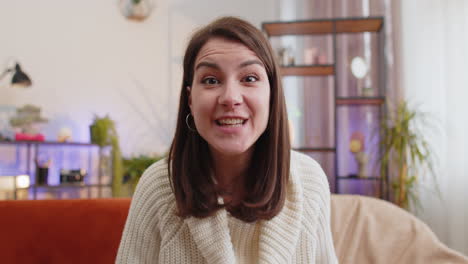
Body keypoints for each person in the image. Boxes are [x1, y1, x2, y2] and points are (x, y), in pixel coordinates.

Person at [116, 16, 338, 264]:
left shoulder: (309, 182)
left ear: (272, 94)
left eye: (249, 78)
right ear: (190, 99)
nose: (230, 98)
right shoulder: (158, 187)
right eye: (211, 80)